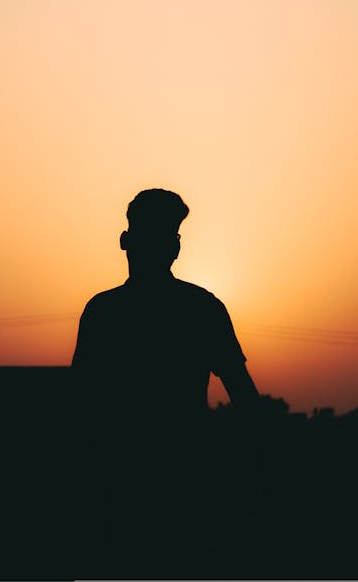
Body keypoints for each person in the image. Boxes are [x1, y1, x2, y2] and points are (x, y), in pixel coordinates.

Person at [71, 188, 260, 576]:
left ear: (125, 242)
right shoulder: (201, 308)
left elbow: (81, 400)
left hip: (129, 484)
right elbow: (243, 395)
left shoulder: (103, 312)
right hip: (172, 483)